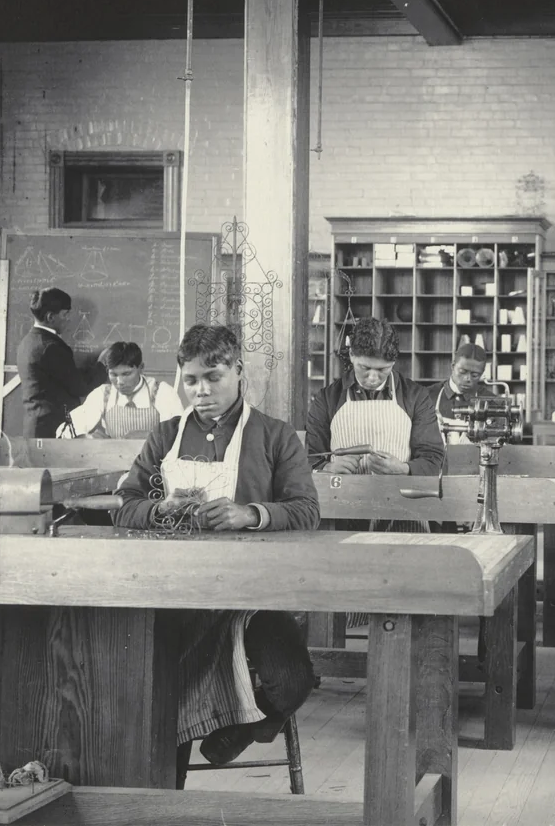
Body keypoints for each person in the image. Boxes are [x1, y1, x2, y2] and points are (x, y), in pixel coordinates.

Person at [113, 324, 319, 785]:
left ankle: (244, 726)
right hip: (177, 598)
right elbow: (126, 507)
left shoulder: (274, 436)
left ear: (238, 372)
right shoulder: (165, 436)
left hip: (253, 598)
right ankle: (166, 797)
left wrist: (251, 514)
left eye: (213, 376)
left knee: (291, 681)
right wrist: (160, 508)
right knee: (167, 687)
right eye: (190, 380)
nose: (201, 391)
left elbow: (307, 511)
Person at [306, 318, 444, 478]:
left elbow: (433, 459)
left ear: (393, 362)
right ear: (351, 355)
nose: (372, 378)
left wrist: (404, 469)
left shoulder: (416, 397)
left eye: (382, 369)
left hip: (398, 498)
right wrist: (326, 468)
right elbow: (309, 458)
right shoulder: (327, 399)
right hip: (341, 496)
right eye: (364, 367)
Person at [61, 341, 184, 438]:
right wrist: (87, 438)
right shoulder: (103, 394)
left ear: (141, 368)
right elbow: (66, 430)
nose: (120, 382)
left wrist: (150, 436)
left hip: (154, 466)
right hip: (115, 464)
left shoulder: (162, 392)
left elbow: (179, 433)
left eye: (126, 374)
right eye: (113, 375)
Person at [17, 287, 87, 438]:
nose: (69, 319)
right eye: (65, 314)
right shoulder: (50, 346)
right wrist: (102, 365)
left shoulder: (29, 341)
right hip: (51, 429)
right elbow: (79, 387)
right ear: (50, 317)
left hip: (37, 426)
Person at [428, 342, 491, 446]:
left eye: (475, 375)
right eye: (462, 372)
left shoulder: (491, 402)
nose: (467, 379)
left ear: (482, 373)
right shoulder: (427, 396)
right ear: (453, 366)